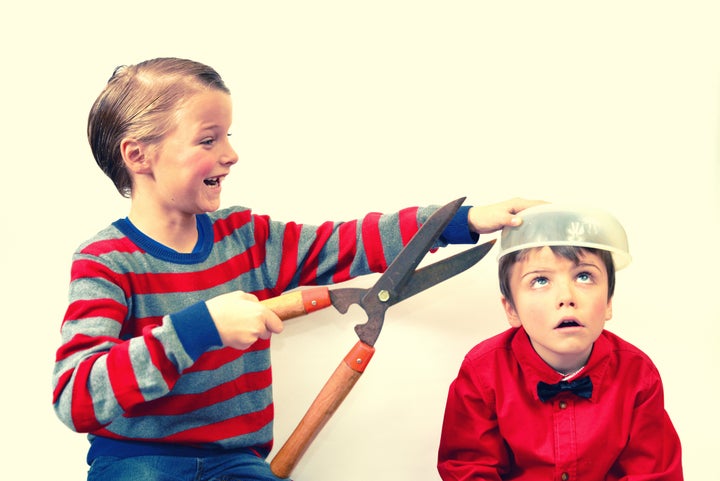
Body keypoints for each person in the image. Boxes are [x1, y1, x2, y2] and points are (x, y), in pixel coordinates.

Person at [51, 57, 540, 481]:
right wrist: (201, 327)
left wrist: (461, 221)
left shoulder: (245, 237)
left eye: (228, 136)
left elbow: (346, 242)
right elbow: (76, 395)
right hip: (140, 463)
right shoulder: (106, 259)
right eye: (207, 139)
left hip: (235, 462)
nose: (231, 154)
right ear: (138, 155)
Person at [437, 204, 683, 480]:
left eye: (584, 276)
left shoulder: (638, 374)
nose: (566, 296)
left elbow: (655, 473)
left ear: (609, 303)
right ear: (511, 310)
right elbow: (469, 469)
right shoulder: (482, 372)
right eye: (540, 280)